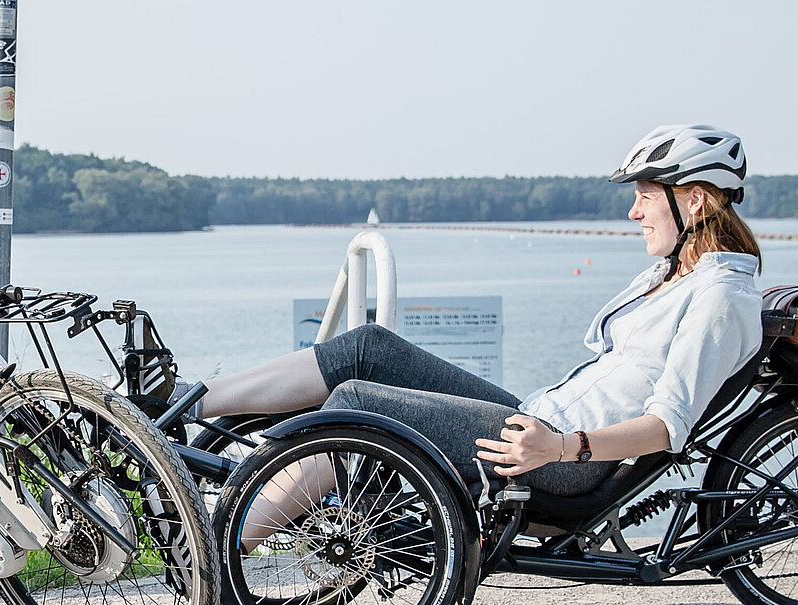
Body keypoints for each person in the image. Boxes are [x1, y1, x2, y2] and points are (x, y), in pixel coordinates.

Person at [195, 125, 765, 550]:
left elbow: (668, 428)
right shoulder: (676, 273)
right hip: (538, 421)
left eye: (646, 194)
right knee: (368, 346)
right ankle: (181, 403)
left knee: (357, 406)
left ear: (694, 199)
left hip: (561, 456)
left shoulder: (720, 298)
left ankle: (224, 543)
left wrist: (561, 448)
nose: (634, 210)